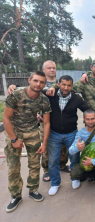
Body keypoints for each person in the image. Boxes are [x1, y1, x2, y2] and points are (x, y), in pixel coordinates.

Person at [6, 60, 69, 182]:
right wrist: (12, 86)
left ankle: (62, 165)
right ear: (43, 70)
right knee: (46, 147)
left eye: (53, 68)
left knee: (63, 146)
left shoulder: (61, 83)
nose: (51, 70)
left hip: (59, 121)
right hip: (44, 121)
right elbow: (26, 94)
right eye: (49, 68)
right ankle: (46, 170)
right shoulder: (38, 84)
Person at [45, 75, 95, 196]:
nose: (66, 87)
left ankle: (75, 179)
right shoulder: (50, 94)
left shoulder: (76, 98)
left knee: (74, 157)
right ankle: (55, 183)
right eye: (63, 84)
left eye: (68, 85)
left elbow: (88, 109)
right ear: (58, 84)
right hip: (54, 133)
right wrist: (13, 87)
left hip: (71, 133)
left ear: (72, 86)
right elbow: (34, 89)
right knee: (52, 160)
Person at [3, 71, 52, 212]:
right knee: (13, 166)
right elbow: (6, 118)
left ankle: (33, 189)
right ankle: (16, 195)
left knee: (35, 164)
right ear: (29, 80)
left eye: (42, 82)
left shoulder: (44, 100)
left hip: (32, 132)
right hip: (15, 131)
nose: (38, 84)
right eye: (36, 80)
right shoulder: (16, 95)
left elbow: (47, 123)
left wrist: (44, 143)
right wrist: (13, 139)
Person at [47, 59, 95, 125]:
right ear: (91, 67)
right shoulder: (84, 81)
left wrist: (86, 73)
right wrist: (54, 87)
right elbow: (68, 88)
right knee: (91, 135)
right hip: (90, 119)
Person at [69, 109, 95, 197]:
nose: (90, 121)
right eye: (88, 119)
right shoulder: (81, 132)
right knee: (74, 173)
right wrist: (77, 148)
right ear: (84, 119)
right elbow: (70, 151)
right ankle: (92, 174)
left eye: (92, 119)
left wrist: (94, 161)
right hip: (87, 159)